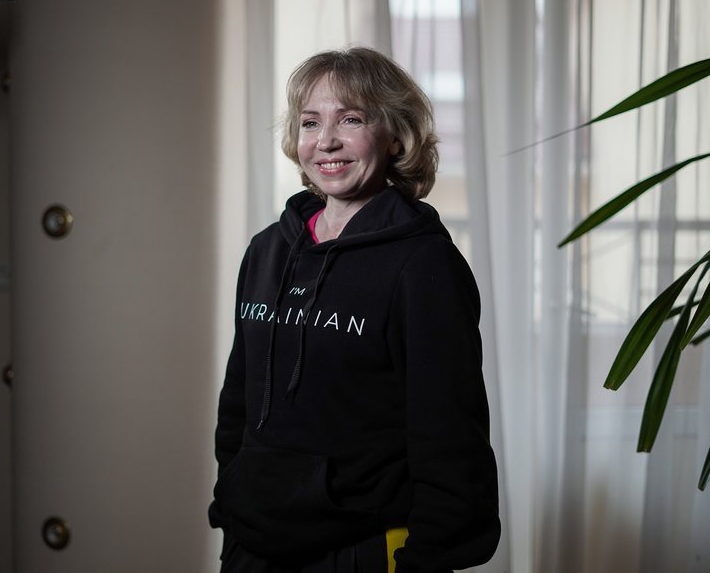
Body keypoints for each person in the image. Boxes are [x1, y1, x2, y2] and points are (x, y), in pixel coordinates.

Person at [209, 46, 500, 572]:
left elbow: (449, 436)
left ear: (395, 136)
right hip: (252, 544)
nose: (326, 141)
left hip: (360, 547)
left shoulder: (424, 264)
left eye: (351, 119)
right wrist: (231, 499)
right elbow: (239, 399)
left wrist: (427, 560)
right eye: (310, 122)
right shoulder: (268, 251)